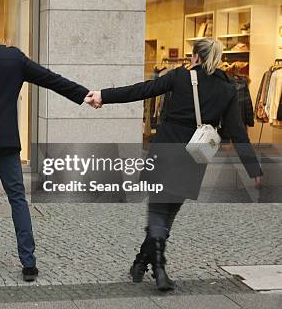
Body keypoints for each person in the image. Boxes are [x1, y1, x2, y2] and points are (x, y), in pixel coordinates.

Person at [85, 39, 263, 291]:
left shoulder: (180, 77)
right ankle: (140, 263)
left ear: (196, 58)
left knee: (158, 212)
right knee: (167, 215)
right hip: (194, 158)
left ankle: (158, 267)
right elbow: (237, 132)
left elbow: (142, 90)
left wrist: (103, 95)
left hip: (165, 151)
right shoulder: (227, 88)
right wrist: (253, 169)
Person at [0, 13, 90, 282]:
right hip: (6, 139)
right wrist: (83, 94)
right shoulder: (13, 57)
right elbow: (50, 79)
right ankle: (28, 263)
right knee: (16, 197)